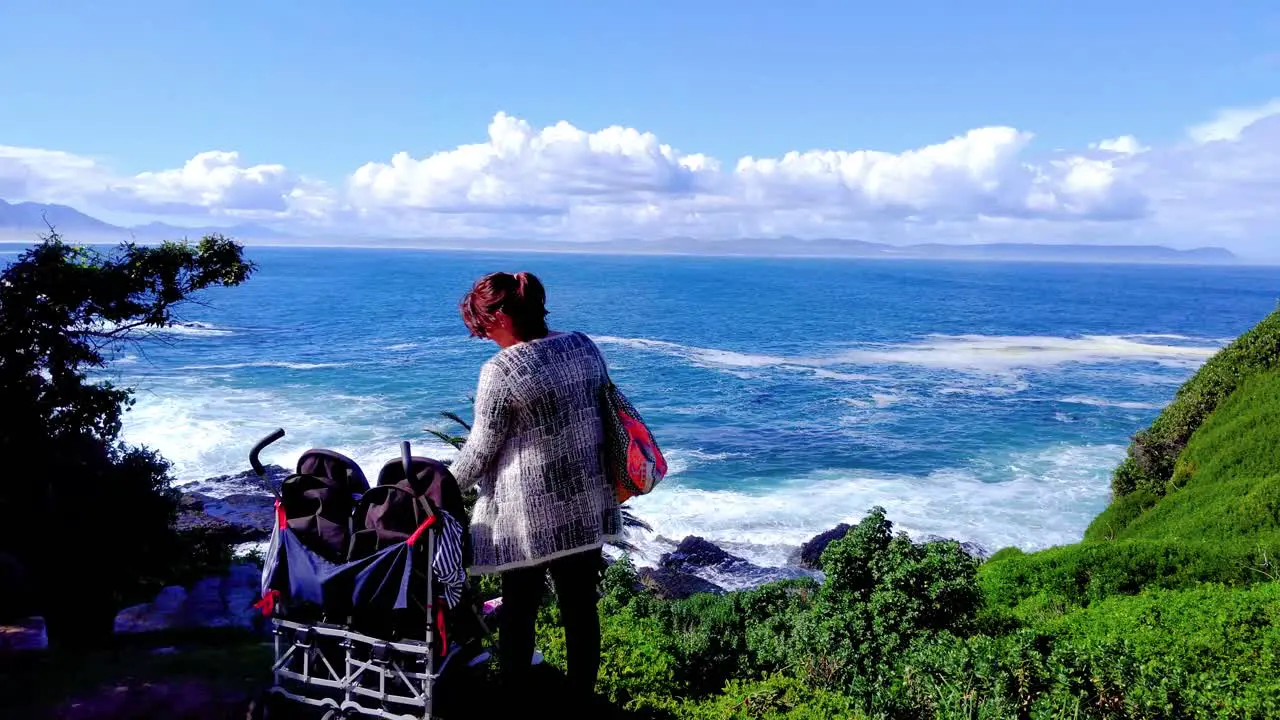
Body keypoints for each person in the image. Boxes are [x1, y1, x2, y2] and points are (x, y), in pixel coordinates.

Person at [449, 270, 620, 705]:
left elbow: (480, 450)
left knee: (520, 610)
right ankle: (581, 700)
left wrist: (437, 487)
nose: (483, 335)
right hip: (586, 505)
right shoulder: (582, 345)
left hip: (529, 518)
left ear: (501, 316)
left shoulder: (502, 370)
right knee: (581, 609)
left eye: (482, 325)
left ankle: (516, 701)